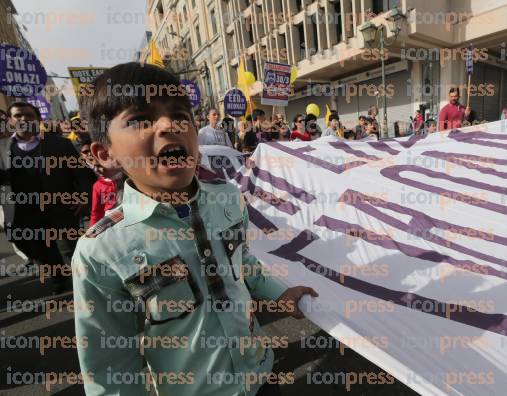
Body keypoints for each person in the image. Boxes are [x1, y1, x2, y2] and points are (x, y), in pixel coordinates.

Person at [75, 62, 318, 396]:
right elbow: (111, 367)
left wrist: (279, 293)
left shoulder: (228, 197)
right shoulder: (100, 251)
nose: (167, 126)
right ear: (106, 154)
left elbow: (243, 263)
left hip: (261, 375)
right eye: (140, 119)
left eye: (179, 115)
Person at [0, 102, 95, 293]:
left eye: (29, 115)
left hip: (60, 209)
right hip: (22, 212)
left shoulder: (60, 144)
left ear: (39, 119)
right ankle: (57, 273)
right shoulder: (3, 148)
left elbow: (83, 175)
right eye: (18, 115)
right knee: (31, 246)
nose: (24, 119)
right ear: (10, 121)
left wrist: (83, 197)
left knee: (69, 249)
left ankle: (85, 289)